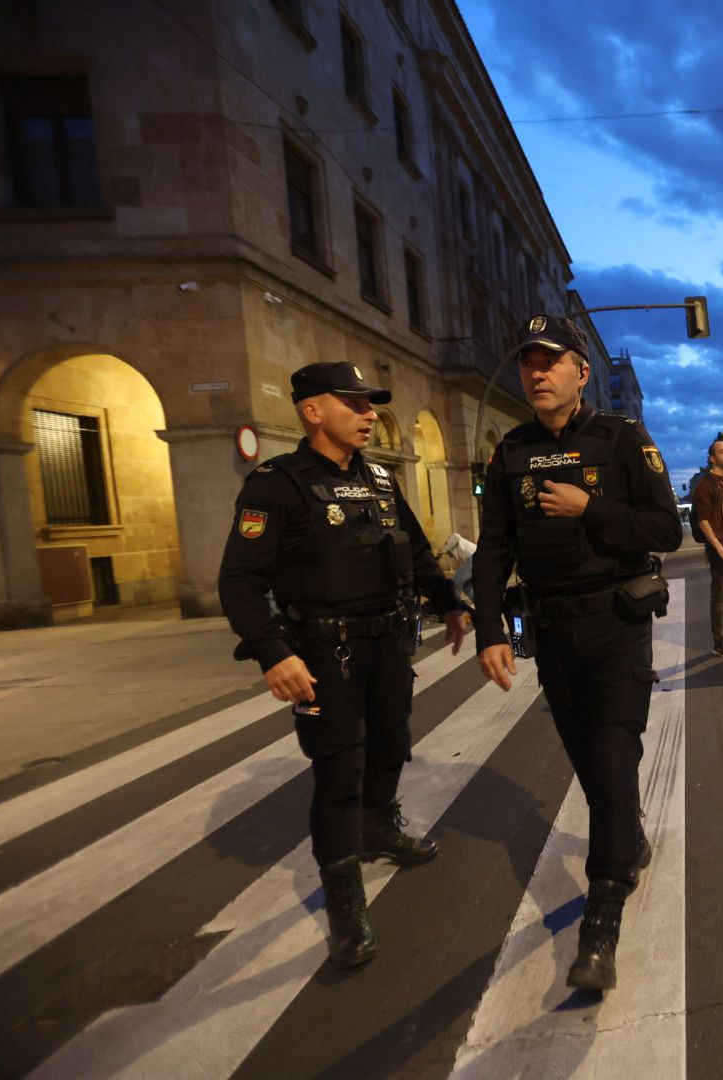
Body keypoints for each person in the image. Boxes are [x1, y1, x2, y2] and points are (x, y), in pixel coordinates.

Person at [218, 361, 468, 969]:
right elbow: (239, 581)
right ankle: (345, 900)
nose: (367, 415)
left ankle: (380, 830)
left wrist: (448, 602)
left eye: (369, 405)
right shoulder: (277, 484)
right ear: (312, 411)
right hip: (324, 653)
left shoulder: (380, 478)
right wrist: (273, 653)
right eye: (354, 403)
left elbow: (411, 545)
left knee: (391, 745)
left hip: (389, 644)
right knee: (338, 771)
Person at [471, 314, 682, 992]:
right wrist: (488, 629)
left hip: (617, 623)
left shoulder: (621, 439)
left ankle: (601, 919)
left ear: (581, 373)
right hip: (552, 631)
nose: (535, 372)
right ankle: (628, 837)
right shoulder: (510, 451)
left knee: (615, 756)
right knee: (594, 763)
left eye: (550, 361)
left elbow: (662, 530)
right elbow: (494, 550)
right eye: (529, 362)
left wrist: (591, 508)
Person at [692, 439, 723, 657]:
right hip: (719, 546)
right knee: (719, 594)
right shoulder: (706, 484)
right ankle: (718, 641)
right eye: (722, 452)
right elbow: (703, 520)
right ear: (713, 458)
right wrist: (719, 548)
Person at [443, 531, 477, 605]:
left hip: (473, 558)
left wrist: (444, 550)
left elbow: (456, 536)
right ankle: (482, 605)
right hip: (473, 559)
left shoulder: (454, 538)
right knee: (467, 587)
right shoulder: (458, 549)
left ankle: (453, 605)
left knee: (455, 581)